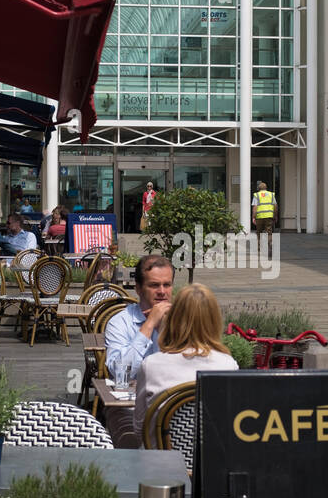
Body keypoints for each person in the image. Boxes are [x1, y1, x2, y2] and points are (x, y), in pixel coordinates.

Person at [134, 283, 237, 437]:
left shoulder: (152, 365)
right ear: (214, 320)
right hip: (208, 459)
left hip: (159, 459)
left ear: (173, 318)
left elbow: (139, 427)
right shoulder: (228, 365)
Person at [105, 255, 174, 381]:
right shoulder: (120, 322)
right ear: (138, 289)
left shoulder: (184, 320)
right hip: (135, 398)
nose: (162, 291)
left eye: (167, 285)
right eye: (154, 285)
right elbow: (120, 374)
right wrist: (149, 324)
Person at [251, 180, 277, 256]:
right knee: (269, 233)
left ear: (259, 188)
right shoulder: (271, 195)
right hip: (269, 217)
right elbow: (275, 206)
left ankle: (259, 249)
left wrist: (253, 217)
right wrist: (275, 216)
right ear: (266, 188)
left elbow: (255, 207)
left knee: (259, 233)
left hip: (259, 217)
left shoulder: (257, 195)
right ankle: (269, 247)